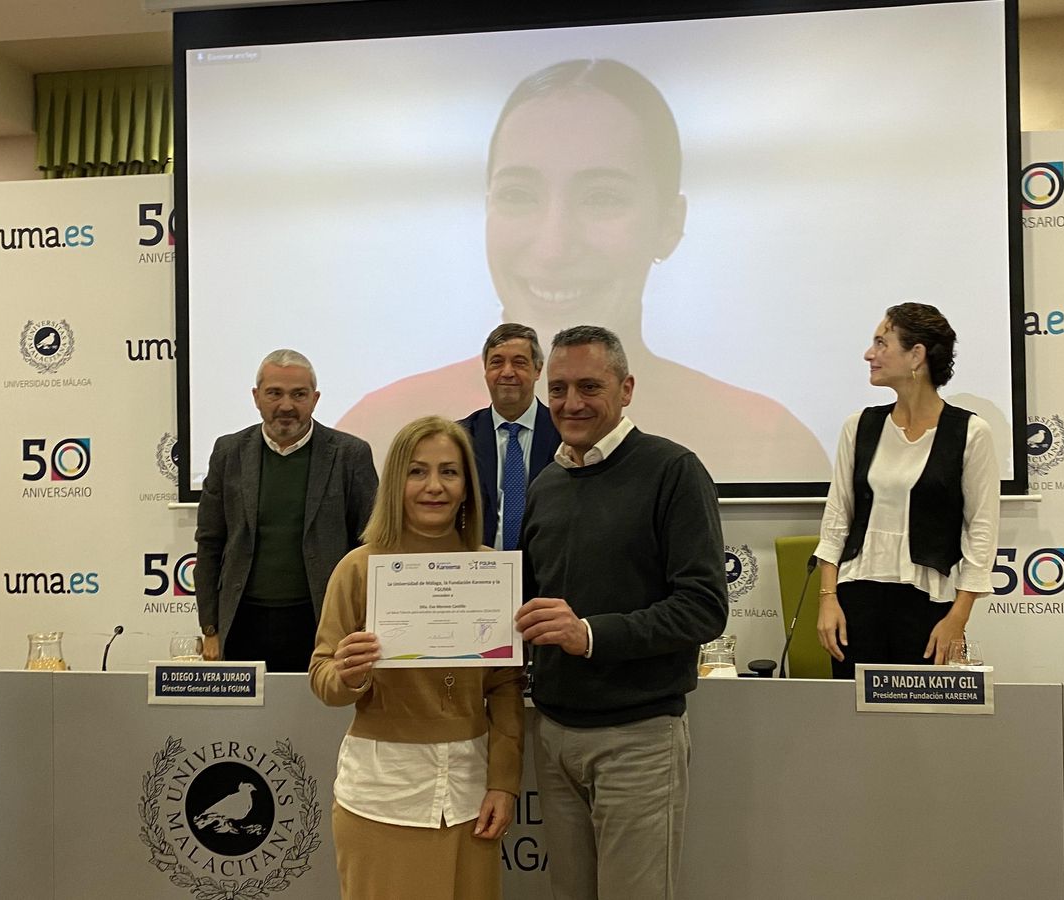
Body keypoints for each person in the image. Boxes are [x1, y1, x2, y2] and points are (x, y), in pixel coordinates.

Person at [337, 58, 829, 484]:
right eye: (519, 195)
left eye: (601, 197)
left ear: (669, 224)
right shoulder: (379, 428)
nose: (553, 248)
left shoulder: (767, 440)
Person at [515, 325, 728, 900]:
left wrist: (589, 634)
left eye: (589, 386)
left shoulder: (673, 472)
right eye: (557, 389)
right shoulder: (547, 485)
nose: (571, 403)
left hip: (638, 739)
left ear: (626, 388)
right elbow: (529, 606)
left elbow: (704, 608)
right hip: (555, 735)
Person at [309, 416, 524, 900]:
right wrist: (348, 673)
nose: (434, 487)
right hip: (383, 797)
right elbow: (322, 677)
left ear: (468, 485)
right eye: (417, 472)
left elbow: (506, 687)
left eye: (449, 472)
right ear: (394, 483)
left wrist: (504, 783)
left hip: (472, 798)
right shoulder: (358, 568)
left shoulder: (491, 571)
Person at [813, 303, 1000, 678]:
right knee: (857, 722)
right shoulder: (859, 426)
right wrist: (828, 598)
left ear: (916, 354)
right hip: (855, 601)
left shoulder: (970, 433)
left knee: (922, 724)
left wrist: (958, 618)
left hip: (929, 607)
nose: (870, 354)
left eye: (882, 343)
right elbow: (837, 519)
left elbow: (981, 532)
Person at [194, 349, 378, 672]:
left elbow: (369, 548)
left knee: (316, 720)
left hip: (322, 622)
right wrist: (211, 628)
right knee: (244, 722)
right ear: (256, 397)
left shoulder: (351, 455)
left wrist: (361, 622)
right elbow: (210, 543)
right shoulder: (228, 453)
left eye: (299, 394)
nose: (286, 406)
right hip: (243, 622)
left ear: (315, 398)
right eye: (274, 393)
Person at [457, 323, 562, 550]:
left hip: (546, 572)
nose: (507, 372)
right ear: (485, 370)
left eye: (519, 362)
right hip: (478, 571)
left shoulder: (564, 433)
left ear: (537, 370)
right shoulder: (461, 438)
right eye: (496, 362)